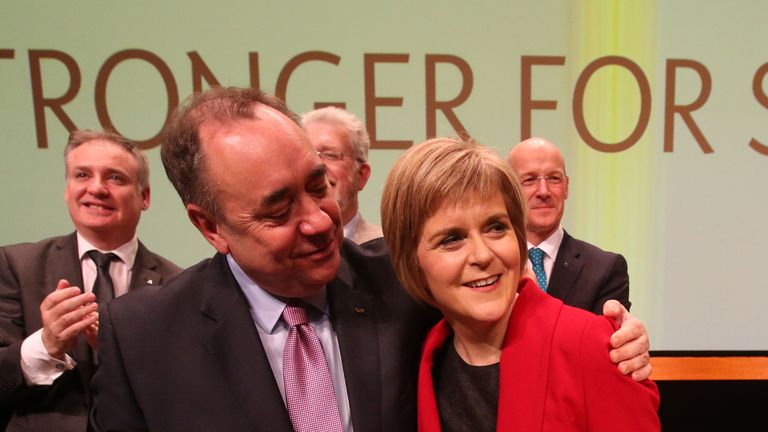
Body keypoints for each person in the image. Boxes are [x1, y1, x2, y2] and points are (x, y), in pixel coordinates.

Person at [90, 87, 650, 432]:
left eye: (319, 185)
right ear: (210, 226)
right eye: (279, 209)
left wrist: (617, 342)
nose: (317, 219)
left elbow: (515, 309)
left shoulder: (407, 288)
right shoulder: (143, 340)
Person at [380, 138, 660, 431]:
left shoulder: (595, 345)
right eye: (452, 239)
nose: (483, 254)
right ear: (412, 261)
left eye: (496, 227)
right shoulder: (423, 355)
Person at [0, 130, 181, 431]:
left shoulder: (176, 284)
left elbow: (185, 392)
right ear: (67, 188)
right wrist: (46, 345)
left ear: (144, 196)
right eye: (82, 175)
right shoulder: (16, 267)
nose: (96, 189)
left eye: (115, 178)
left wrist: (122, 354)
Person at [507, 137, 631, 315]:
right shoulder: (491, 265)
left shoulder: (605, 269)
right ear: (509, 191)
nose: (543, 191)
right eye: (529, 180)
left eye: (554, 178)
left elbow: (601, 341)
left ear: (566, 187)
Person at [302, 106, 383, 244]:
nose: (317, 165)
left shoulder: (388, 249)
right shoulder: (280, 250)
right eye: (308, 153)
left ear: (361, 175)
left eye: (330, 155)